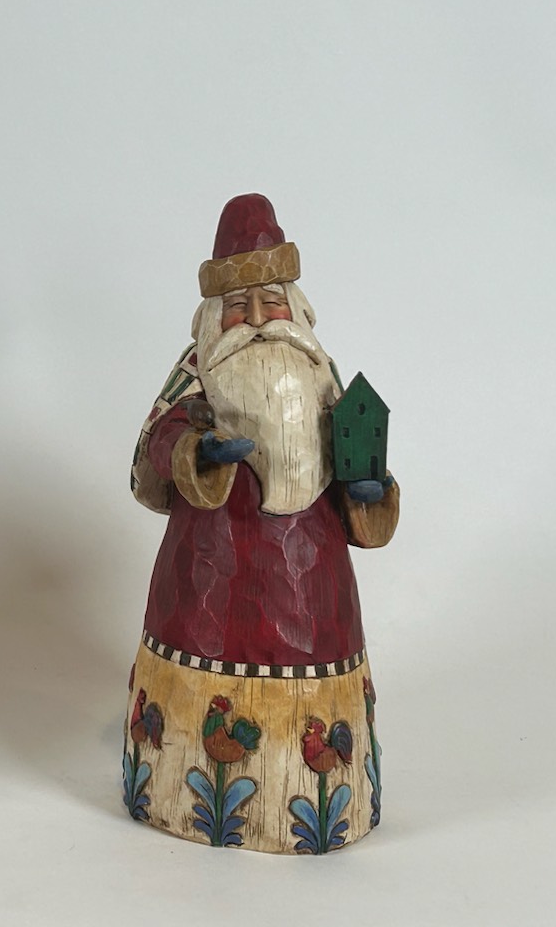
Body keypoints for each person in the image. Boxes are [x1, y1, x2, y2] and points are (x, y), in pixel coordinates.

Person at [124, 194, 398, 855]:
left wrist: (369, 490)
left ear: (295, 309)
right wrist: (195, 454)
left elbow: (357, 449)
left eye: (269, 302)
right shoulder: (196, 376)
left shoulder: (322, 376)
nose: (254, 320)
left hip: (313, 590)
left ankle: (313, 802)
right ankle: (175, 789)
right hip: (207, 580)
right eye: (236, 307)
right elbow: (156, 445)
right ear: (211, 318)